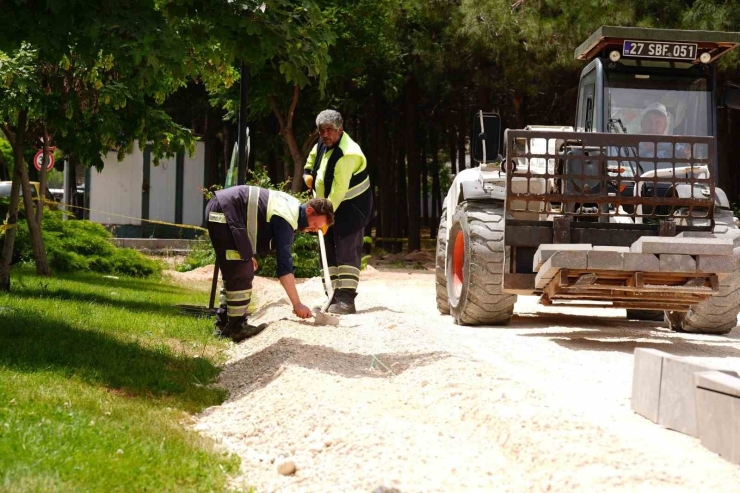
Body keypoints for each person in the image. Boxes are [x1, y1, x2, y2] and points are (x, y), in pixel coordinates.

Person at [206, 185, 334, 342]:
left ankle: (223, 327)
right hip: (224, 211)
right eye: (315, 225)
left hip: (223, 208)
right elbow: (284, 267)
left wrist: (247, 253)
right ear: (309, 211)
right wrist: (297, 304)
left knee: (237, 268)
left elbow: (254, 218)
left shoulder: (290, 207)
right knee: (241, 270)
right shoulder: (286, 218)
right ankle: (236, 328)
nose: (314, 230)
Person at [303, 110, 373, 315]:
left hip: (352, 208)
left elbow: (338, 191)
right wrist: (308, 173)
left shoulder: (347, 154)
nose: (325, 134)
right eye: (322, 130)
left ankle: (346, 300)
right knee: (328, 250)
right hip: (330, 208)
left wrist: (321, 219)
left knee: (346, 250)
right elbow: (312, 159)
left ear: (340, 130)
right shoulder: (322, 145)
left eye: (330, 131)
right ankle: (332, 296)